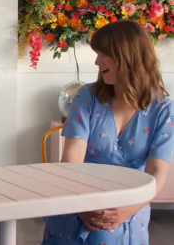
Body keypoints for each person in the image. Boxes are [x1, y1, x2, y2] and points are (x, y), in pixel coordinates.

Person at [42, 20, 174, 245]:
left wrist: (126, 210)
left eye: (103, 54)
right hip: (79, 196)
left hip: (132, 202)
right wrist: (80, 205)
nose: (96, 61)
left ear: (127, 56)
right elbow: (71, 159)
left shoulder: (163, 109)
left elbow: (157, 173)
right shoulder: (87, 96)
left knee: (110, 231)